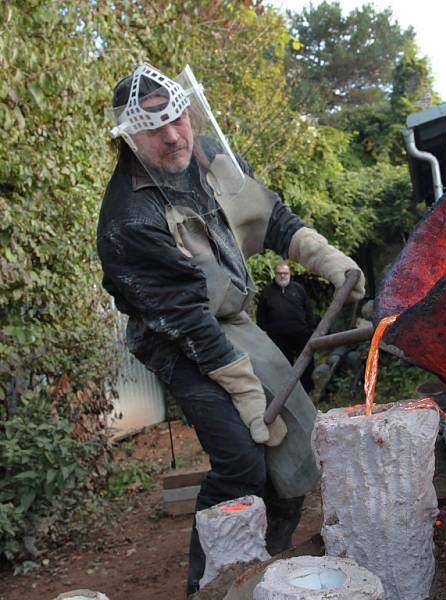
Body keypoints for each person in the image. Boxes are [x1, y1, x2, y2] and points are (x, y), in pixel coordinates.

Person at [96, 63, 364, 595]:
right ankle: (208, 585)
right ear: (129, 137)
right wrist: (244, 390)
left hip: (231, 318)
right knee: (242, 459)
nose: (173, 136)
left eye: (178, 119)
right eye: (154, 129)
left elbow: (273, 219)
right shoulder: (129, 219)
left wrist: (329, 260)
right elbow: (186, 320)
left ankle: (273, 556)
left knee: (295, 444)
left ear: (189, 113)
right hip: (173, 336)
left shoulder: (209, 158)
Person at [256, 262, 316, 393]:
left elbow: (308, 309)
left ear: (290, 274)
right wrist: (263, 330)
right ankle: (288, 392)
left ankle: (307, 389)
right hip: (278, 336)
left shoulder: (298, 289)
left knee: (306, 362)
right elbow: (261, 312)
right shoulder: (267, 291)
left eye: (285, 273)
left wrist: (310, 328)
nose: (282, 276)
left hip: (301, 333)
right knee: (284, 364)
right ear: (275, 274)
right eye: (280, 273)